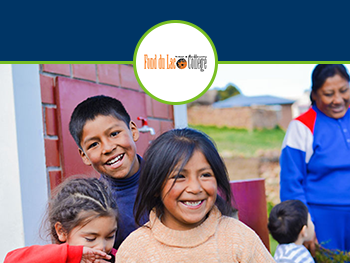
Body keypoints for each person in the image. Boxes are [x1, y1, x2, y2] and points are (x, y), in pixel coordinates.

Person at [116, 128, 275, 262]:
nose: (195, 188)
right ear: (156, 186)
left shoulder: (238, 238)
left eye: (205, 175)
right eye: (179, 176)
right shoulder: (135, 250)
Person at [280, 64, 350, 252]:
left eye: (344, 90)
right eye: (328, 94)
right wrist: (303, 226)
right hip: (322, 222)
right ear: (314, 95)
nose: (338, 100)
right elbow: (291, 183)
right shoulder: (301, 127)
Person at [69, 95, 146, 249]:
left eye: (114, 134)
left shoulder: (167, 179)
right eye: (94, 144)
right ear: (84, 155)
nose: (108, 148)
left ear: (133, 130)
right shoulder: (94, 205)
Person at [4, 177, 118, 263]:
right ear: (62, 231)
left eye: (110, 236)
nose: (101, 247)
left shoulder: (118, 258)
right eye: (90, 239)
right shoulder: (55, 258)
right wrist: (72, 255)